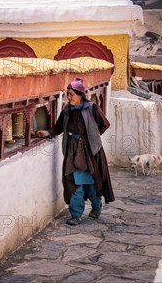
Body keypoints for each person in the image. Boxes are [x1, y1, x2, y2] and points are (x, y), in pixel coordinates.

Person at [36, 77, 115, 225]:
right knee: (74, 182)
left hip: (90, 150)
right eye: (67, 94)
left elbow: (105, 124)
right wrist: (47, 133)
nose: (69, 97)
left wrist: (93, 136)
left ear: (80, 95)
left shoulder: (92, 108)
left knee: (92, 181)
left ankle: (96, 207)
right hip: (72, 150)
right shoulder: (67, 111)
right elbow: (58, 128)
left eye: (72, 94)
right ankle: (76, 215)